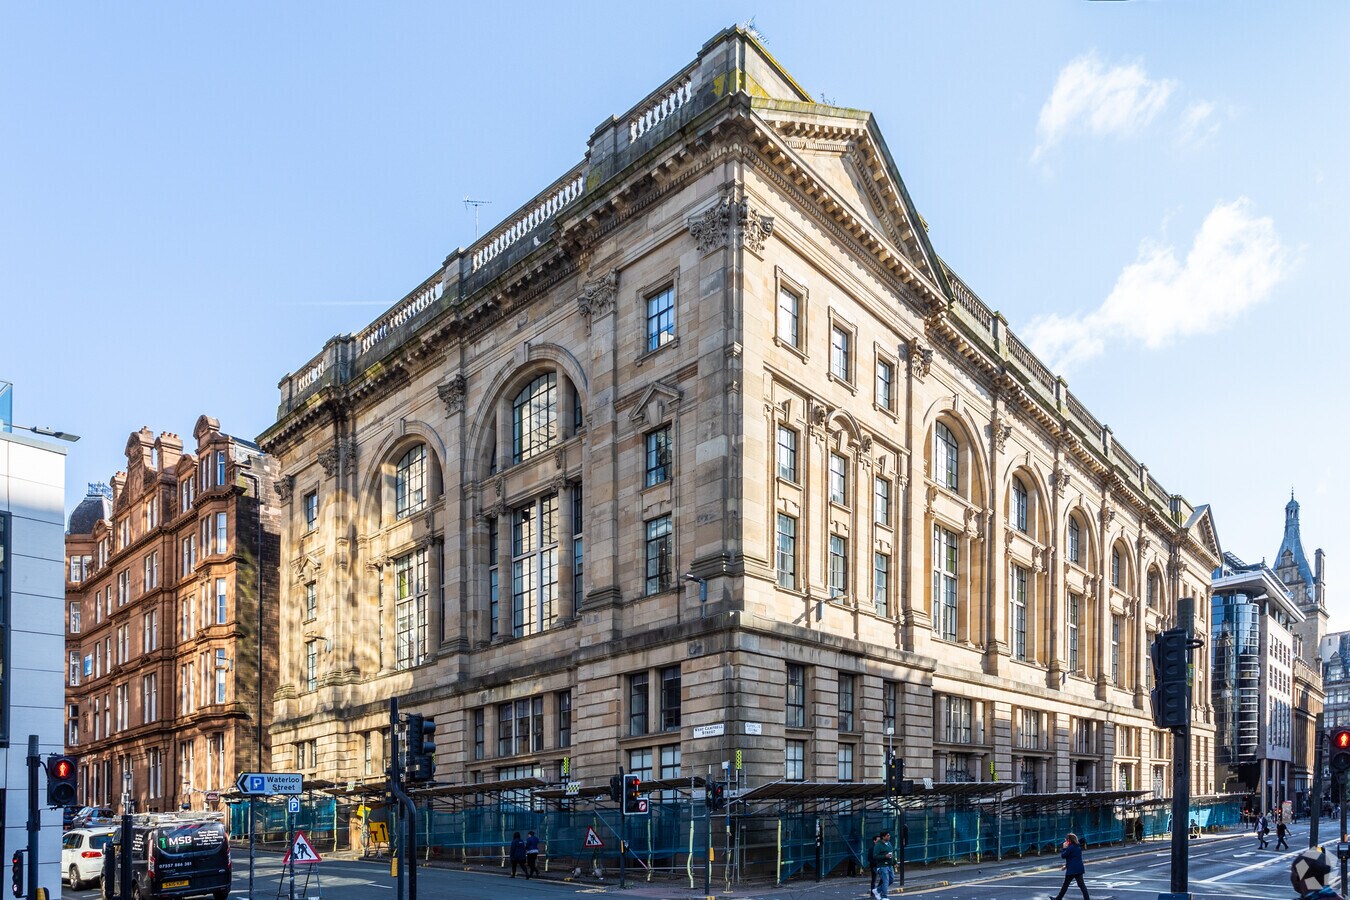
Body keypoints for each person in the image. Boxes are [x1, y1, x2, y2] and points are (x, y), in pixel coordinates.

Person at [1049, 832, 1089, 900]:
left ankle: (1058, 899)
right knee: (1082, 885)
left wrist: (1064, 848)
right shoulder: (1077, 846)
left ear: (1069, 840)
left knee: (1065, 885)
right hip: (1078, 869)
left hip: (1072, 870)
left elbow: (1063, 855)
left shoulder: (1071, 847)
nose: (1065, 841)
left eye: (1066, 840)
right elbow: (1072, 859)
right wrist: (1066, 866)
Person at [870, 830, 895, 900]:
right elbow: (875, 856)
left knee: (891, 879)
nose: (889, 836)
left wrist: (894, 862)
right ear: (883, 837)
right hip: (882, 866)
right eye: (887, 835)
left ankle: (877, 890)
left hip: (890, 865)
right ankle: (884, 897)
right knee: (886, 881)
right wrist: (885, 856)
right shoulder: (878, 845)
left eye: (889, 835)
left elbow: (891, 853)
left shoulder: (889, 843)